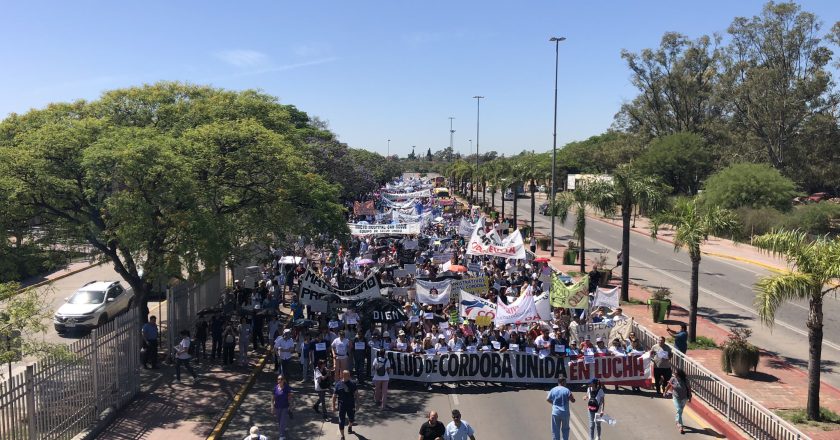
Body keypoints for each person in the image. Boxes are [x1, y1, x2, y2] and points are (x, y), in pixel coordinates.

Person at [664, 368, 692, 434]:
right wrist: (665, 392)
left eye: (676, 374)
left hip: (684, 398)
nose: (675, 374)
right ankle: (680, 426)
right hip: (676, 397)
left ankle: (677, 420)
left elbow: (689, 389)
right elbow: (668, 385)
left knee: (680, 411)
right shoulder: (673, 379)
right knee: (679, 410)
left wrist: (690, 397)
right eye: (675, 373)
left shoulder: (685, 380)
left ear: (679, 375)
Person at [332, 370, 358, 440]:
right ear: (342, 376)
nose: (349, 376)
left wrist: (358, 404)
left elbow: (356, 395)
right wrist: (333, 406)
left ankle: (350, 426)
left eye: (349, 375)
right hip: (342, 405)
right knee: (341, 421)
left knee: (351, 418)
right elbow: (334, 396)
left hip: (351, 405)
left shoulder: (353, 383)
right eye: (347, 375)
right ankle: (342, 436)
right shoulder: (338, 384)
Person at [272, 375, 293, 440]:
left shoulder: (287, 388)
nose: (279, 380)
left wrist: (290, 406)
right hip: (277, 407)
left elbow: (289, 398)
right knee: (279, 421)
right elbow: (272, 399)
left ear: (284, 380)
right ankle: (283, 429)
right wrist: (272, 407)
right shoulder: (275, 388)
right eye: (278, 379)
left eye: (281, 379)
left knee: (282, 421)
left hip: (285, 407)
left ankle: (282, 436)